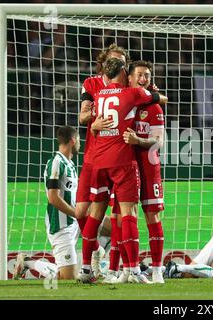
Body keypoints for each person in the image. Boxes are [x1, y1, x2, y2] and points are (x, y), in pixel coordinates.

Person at [77, 57, 167, 284]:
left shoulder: (99, 95)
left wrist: (94, 125)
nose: (140, 79)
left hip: (99, 161)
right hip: (122, 162)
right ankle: (133, 269)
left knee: (97, 214)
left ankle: (87, 268)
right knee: (128, 215)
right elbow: (160, 98)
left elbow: (88, 118)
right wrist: (155, 93)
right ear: (125, 73)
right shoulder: (132, 94)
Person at [76, 43, 130, 278]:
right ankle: (96, 248)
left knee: (119, 215)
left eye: (122, 62)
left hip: (120, 159)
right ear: (104, 63)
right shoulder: (91, 83)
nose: (119, 65)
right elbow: (82, 116)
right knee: (80, 212)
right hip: (93, 158)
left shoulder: (128, 86)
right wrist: (93, 122)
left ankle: (115, 269)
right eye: (114, 61)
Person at [13, 126, 80, 280]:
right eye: (78, 141)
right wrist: (76, 213)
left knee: (109, 227)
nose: (80, 145)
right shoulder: (56, 163)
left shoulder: (70, 164)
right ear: (72, 140)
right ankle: (27, 262)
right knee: (67, 279)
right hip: (61, 225)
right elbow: (53, 198)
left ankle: (108, 268)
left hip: (75, 221)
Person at [121, 60, 166, 284]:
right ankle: (126, 269)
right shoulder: (123, 103)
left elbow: (160, 142)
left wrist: (138, 140)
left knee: (152, 216)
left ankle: (157, 269)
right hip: (124, 167)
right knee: (124, 217)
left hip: (149, 166)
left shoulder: (154, 107)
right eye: (139, 75)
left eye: (147, 75)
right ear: (129, 78)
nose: (143, 79)